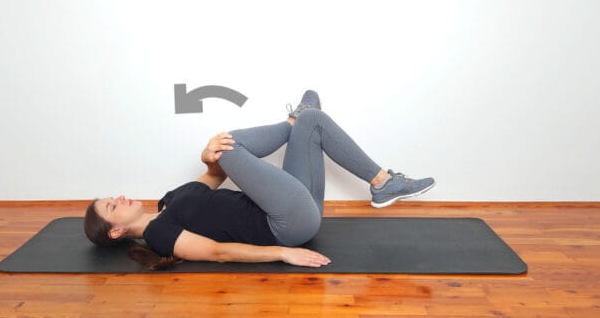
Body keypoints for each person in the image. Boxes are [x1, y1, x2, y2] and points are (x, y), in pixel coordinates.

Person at [84, 90, 436, 270]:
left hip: (296, 207)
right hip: (282, 225)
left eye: (113, 197)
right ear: (116, 231)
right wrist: (282, 253)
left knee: (311, 116)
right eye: (113, 206)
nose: (121, 198)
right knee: (230, 145)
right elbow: (218, 252)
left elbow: (215, 173)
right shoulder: (159, 235)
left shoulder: (168, 200)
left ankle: (378, 180)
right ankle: (295, 125)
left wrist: (207, 155)